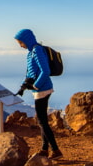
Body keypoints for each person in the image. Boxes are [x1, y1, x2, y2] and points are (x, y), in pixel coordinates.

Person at [14, 28, 61, 158]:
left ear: (26, 40)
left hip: (43, 89)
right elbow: (30, 72)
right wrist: (24, 86)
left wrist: (35, 85)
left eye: (20, 42)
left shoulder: (37, 50)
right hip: (39, 90)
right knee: (42, 121)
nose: (20, 45)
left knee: (42, 122)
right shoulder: (30, 52)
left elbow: (45, 71)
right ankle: (44, 149)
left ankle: (56, 151)